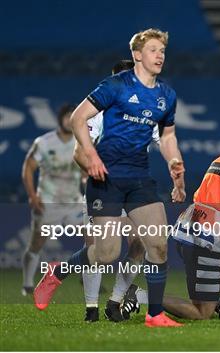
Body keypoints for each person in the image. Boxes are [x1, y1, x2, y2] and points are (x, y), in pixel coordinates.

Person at [34, 28, 186, 328]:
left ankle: (154, 314)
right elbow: (78, 131)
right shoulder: (110, 94)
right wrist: (91, 160)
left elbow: (167, 137)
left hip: (139, 179)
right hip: (107, 182)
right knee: (106, 252)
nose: (160, 56)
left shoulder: (163, 97)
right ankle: (58, 273)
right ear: (136, 58)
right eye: (153, 50)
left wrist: (175, 166)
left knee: (156, 243)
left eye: (162, 51)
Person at [124, 126, 220, 320]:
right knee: (202, 312)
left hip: (186, 232)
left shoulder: (219, 160)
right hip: (207, 241)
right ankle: (140, 296)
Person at [73, 59, 153, 323]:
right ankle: (91, 309)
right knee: (100, 249)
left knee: (141, 242)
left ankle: (115, 301)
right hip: (104, 188)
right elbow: (80, 152)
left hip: (133, 189)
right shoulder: (96, 111)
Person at [21, 104, 84, 296]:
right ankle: (27, 284)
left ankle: (87, 277)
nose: (68, 120)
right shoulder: (44, 142)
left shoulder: (81, 141)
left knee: (93, 239)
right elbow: (28, 168)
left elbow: (85, 171)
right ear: (60, 119)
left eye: (72, 117)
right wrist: (33, 196)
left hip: (74, 201)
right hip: (49, 201)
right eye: (66, 116)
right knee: (36, 244)